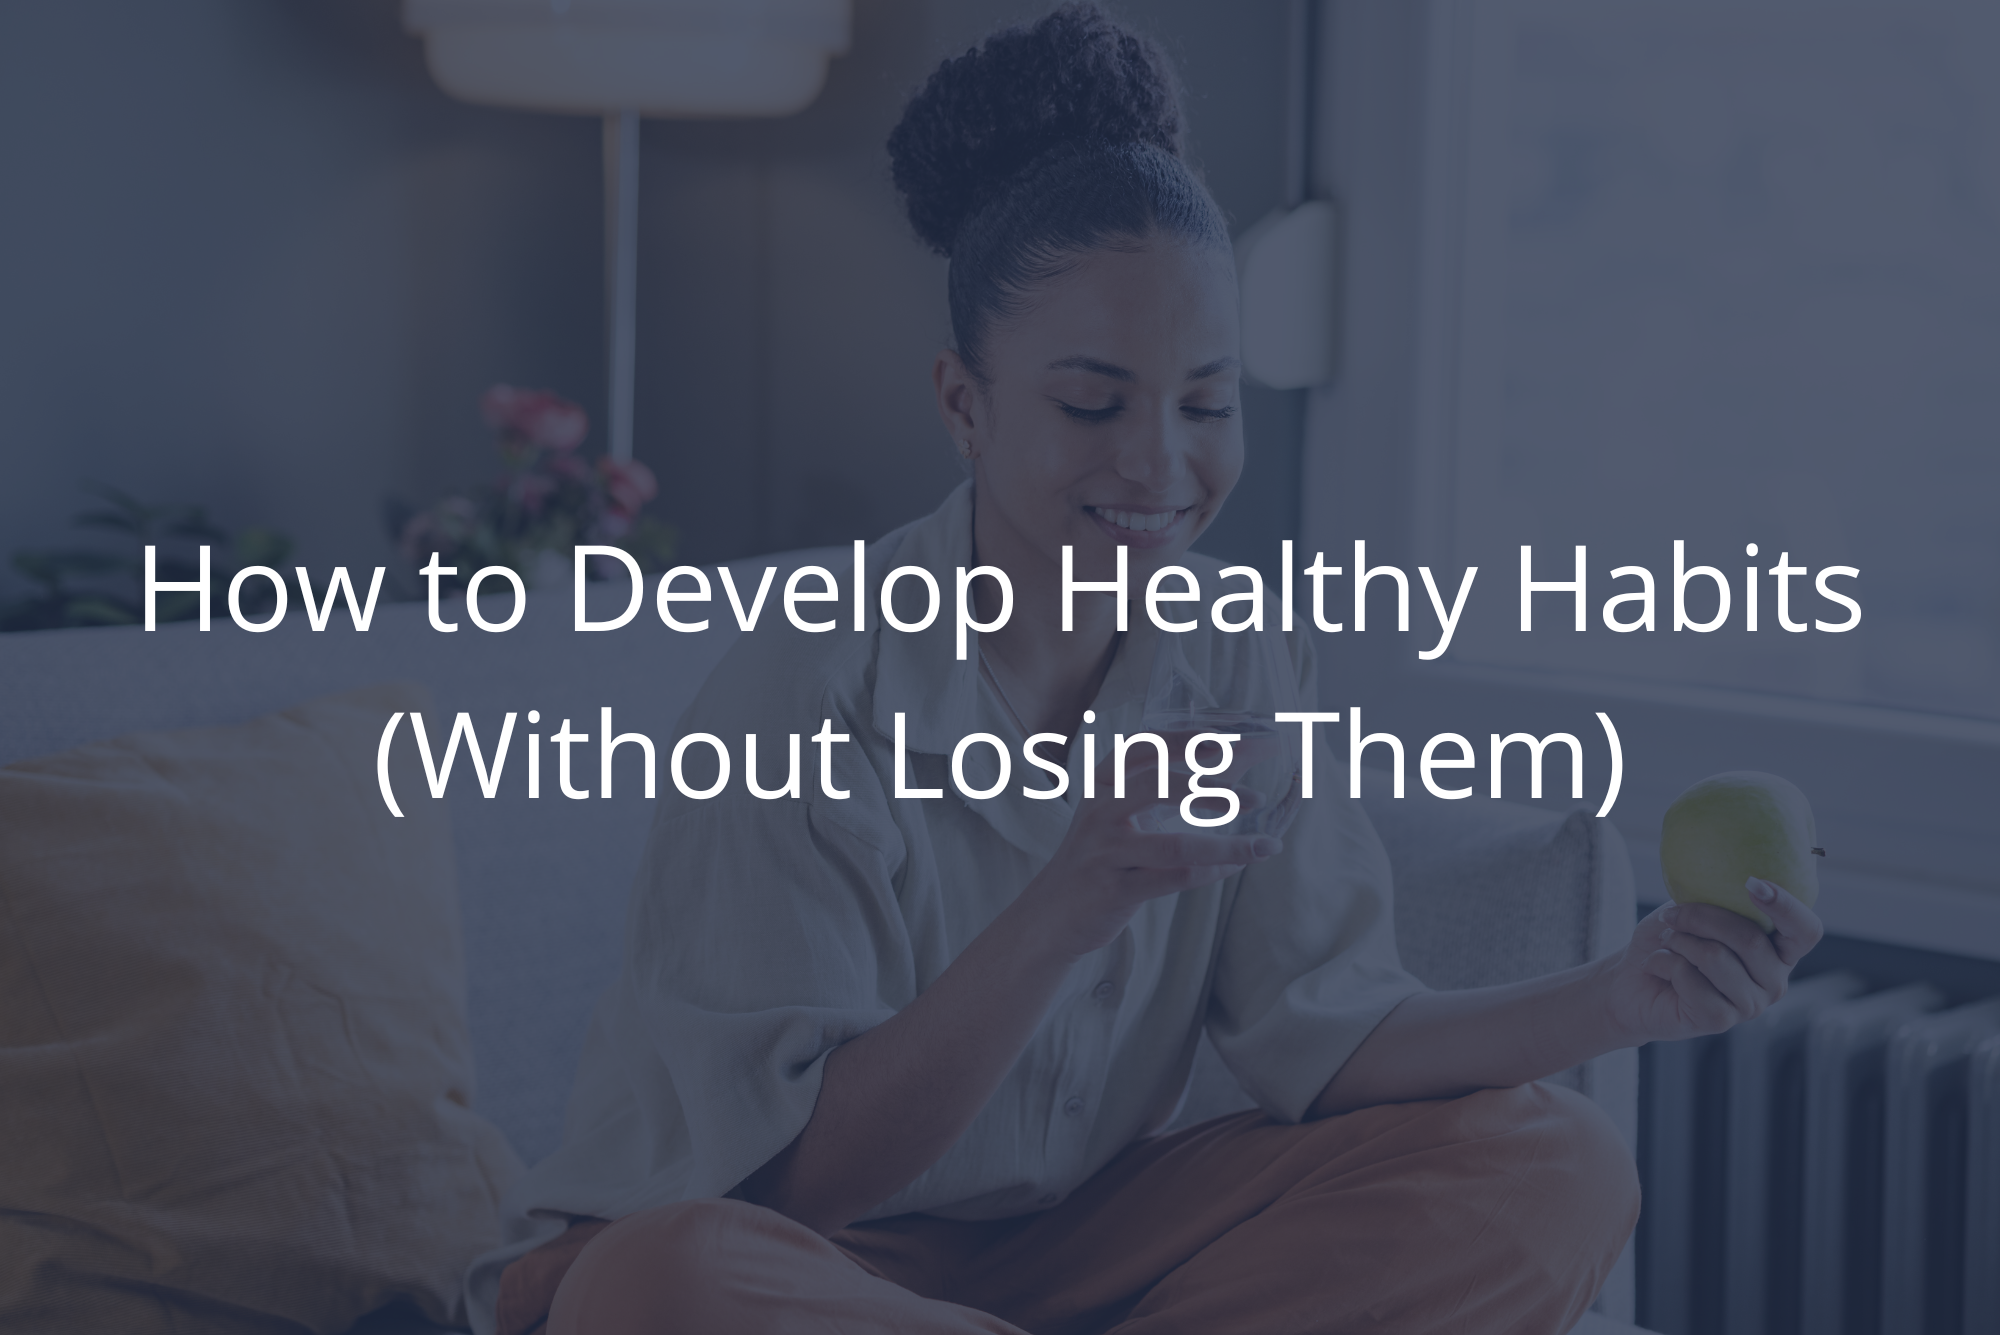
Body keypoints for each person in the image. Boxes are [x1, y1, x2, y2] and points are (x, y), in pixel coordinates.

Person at [466, 7, 1823, 1333]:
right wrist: (1077, 892)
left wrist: (1617, 993)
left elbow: (1329, 1030)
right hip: (792, 1248)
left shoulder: (1232, 652)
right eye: (1092, 403)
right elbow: (799, 1179)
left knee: (1556, 1163)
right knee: (661, 1287)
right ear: (964, 404)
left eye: (1207, 404)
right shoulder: (816, 680)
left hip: (1078, 1243)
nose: (1162, 467)